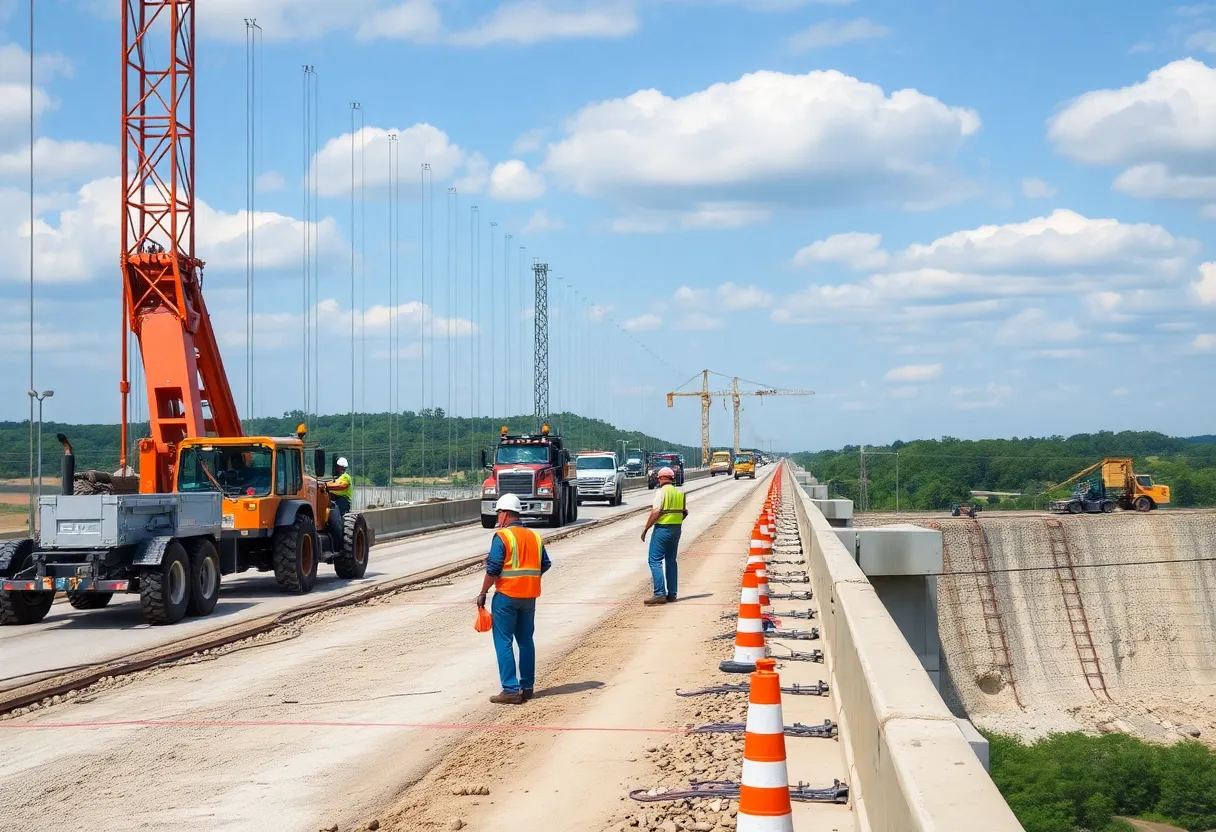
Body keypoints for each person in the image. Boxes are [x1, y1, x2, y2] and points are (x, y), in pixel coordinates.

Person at [477, 493, 552, 705]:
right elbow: (544, 564)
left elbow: (493, 569)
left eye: (499, 512)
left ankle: (510, 689)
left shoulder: (502, 537)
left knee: (504, 641)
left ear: (506, 513)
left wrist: (483, 592)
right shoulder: (535, 536)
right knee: (526, 641)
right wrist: (527, 578)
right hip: (529, 597)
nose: (498, 517)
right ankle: (527, 687)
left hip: (507, 597)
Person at [640, 466, 687, 606]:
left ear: (660, 479)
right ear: (672, 479)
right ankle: (672, 594)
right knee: (671, 560)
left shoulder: (661, 493)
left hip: (662, 529)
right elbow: (684, 512)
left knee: (654, 560)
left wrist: (646, 529)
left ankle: (659, 593)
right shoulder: (680, 494)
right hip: (676, 529)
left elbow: (655, 512)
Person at [325, 457, 353, 540]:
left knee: (337, 520)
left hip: (342, 501)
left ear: (340, 467)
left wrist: (325, 486)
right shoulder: (335, 478)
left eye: (336, 467)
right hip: (333, 500)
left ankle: (340, 540)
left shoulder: (345, 477)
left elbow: (341, 486)